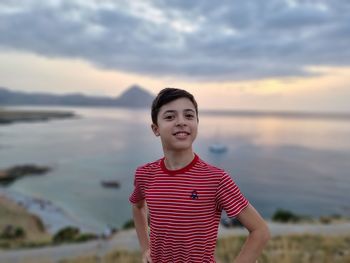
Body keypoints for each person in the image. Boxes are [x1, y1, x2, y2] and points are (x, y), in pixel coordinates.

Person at [129, 88, 270, 263]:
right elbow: (137, 207)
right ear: (155, 129)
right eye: (170, 117)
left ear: (197, 123)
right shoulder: (145, 174)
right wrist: (145, 248)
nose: (181, 122)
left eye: (189, 115)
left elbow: (260, 231)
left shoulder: (216, 179)